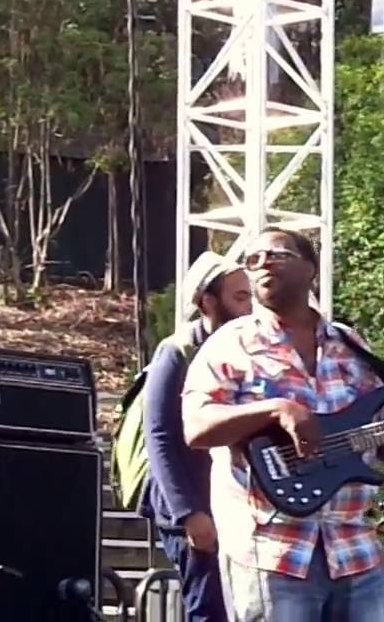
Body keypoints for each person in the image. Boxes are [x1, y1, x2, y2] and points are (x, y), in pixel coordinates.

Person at [181, 227, 384, 621]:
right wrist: (275, 410)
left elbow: (379, 443)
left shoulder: (351, 346)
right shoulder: (230, 343)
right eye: (253, 260)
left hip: (355, 550)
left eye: (276, 255)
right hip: (272, 551)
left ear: (311, 268)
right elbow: (196, 427)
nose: (262, 264)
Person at [138, 251, 252, 621]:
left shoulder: (249, 351)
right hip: (193, 505)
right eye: (240, 297)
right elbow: (159, 435)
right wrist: (189, 514)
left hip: (234, 503)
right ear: (208, 302)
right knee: (209, 608)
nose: (251, 307)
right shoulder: (176, 352)